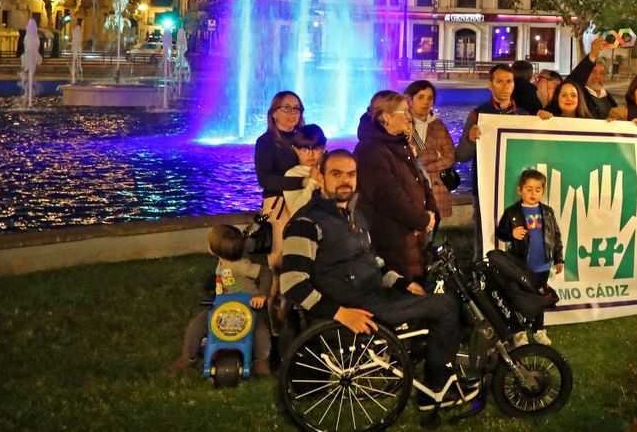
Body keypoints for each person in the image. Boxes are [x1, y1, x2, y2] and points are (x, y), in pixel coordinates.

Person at [278, 150, 475, 410]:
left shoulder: (355, 218)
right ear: (321, 178)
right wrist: (340, 314)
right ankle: (436, 388)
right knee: (446, 305)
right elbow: (292, 283)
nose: (345, 181)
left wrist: (403, 284)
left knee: (433, 288)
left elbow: (376, 264)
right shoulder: (305, 223)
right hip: (357, 307)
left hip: (375, 296)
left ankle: (440, 367)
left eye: (351, 174)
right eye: (336, 174)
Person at [353, 90, 440, 281]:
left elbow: (421, 180)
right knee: (403, 293)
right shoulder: (370, 150)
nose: (409, 116)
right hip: (393, 240)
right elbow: (388, 196)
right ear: (386, 117)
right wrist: (422, 219)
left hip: (411, 236)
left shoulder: (399, 144)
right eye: (404, 111)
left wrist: (431, 212)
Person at [167, 224, 273, 374]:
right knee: (196, 326)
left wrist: (261, 295)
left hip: (246, 307)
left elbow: (266, 273)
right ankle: (188, 357)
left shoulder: (240, 266)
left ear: (215, 249)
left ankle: (261, 360)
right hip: (223, 306)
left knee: (259, 330)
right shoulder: (223, 261)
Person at [494, 168, 564, 346]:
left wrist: (559, 258)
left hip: (542, 265)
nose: (533, 193)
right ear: (520, 190)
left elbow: (555, 236)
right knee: (518, 297)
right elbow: (500, 233)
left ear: (543, 191)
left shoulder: (548, 212)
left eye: (537, 190)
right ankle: (519, 332)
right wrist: (511, 233)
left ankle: (539, 330)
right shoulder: (512, 212)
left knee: (538, 298)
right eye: (529, 189)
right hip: (520, 265)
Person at [256, 90, 305, 261]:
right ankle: (274, 286)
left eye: (297, 108)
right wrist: (302, 182)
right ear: (274, 113)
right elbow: (265, 179)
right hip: (279, 204)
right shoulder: (265, 142)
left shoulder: (306, 139)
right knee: (281, 255)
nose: (293, 113)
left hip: (305, 200)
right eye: (286, 108)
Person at [457, 64, 532, 165]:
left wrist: (545, 120)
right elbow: (461, 156)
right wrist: (470, 139)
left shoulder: (525, 116)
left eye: (509, 81)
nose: (505, 86)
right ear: (490, 85)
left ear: (514, 84)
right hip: (486, 178)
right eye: (499, 82)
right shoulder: (477, 115)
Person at [405, 80, 457, 221]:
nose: (426, 102)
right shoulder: (403, 124)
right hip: (411, 191)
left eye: (430, 98)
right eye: (421, 97)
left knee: (433, 235)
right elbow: (405, 157)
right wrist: (435, 154)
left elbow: (450, 157)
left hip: (436, 191)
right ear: (409, 100)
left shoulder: (438, 124)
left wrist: (424, 167)